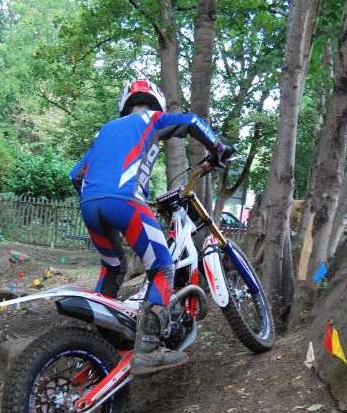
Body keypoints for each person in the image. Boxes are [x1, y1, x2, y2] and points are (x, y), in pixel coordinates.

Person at [70, 80, 230, 375]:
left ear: (125, 104)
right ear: (157, 103)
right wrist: (218, 148)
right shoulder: (153, 119)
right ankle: (148, 349)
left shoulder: (106, 130)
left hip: (89, 204)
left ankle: (101, 341)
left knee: (112, 268)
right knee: (162, 268)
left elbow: (75, 175)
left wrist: (99, 197)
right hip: (127, 201)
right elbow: (192, 121)